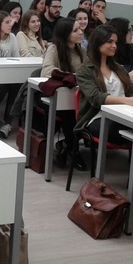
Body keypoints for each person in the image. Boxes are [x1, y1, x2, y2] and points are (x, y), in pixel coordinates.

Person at [75, 24, 133, 145]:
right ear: (98, 43)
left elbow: (132, 90)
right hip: (97, 117)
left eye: (115, 42)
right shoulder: (85, 70)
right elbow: (96, 98)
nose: (114, 46)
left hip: (123, 115)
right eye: (110, 42)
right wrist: (127, 101)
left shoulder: (118, 68)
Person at [41, 18, 86, 169]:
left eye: (80, 29)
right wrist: (70, 76)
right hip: (57, 97)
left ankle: (67, 146)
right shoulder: (54, 48)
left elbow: (92, 70)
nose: (81, 32)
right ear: (65, 34)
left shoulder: (82, 50)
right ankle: (73, 149)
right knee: (69, 114)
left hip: (77, 96)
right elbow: (46, 70)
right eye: (76, 30)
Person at [108, 17, 133, 82]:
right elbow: (104, 75)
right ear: (120, 32)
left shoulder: (131, 49)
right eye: (129, 30)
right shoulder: (107, 49)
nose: (132, 33)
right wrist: (126, 76)